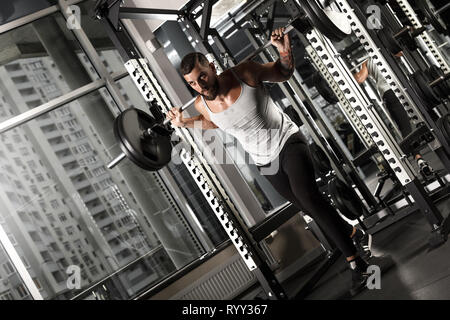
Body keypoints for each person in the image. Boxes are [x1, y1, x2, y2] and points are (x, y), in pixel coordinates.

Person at [167, 27, 372, 296]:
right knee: (307, 206)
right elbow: (213, 122)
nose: (200, 84)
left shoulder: (246, 72)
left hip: (288, 141)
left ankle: (357, 264)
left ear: (213, 67)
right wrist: (184, 122)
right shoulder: (201, 105)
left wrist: (283, 50)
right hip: (266, 162)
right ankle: (351, 232)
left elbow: (284, 72)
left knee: (308, 197)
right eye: (193, 83)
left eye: (202, 75)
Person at [353, 55, 434, 176]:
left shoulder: (367, 61)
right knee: (426, 116)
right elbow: (400, 52)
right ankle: (432, 149)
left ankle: (419, 158)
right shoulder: (385, 50)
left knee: (405, 128)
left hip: (389, 93)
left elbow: (359, 79)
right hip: (406, 88)